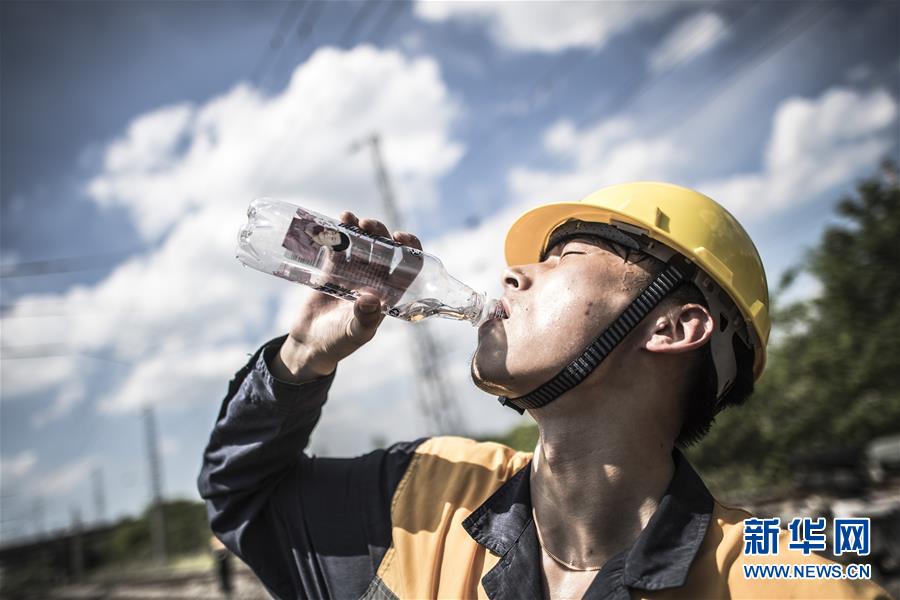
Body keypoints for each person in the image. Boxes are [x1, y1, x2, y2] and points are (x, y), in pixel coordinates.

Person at [198, 182, 889, 599]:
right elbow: (242, 500)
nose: (512, 276)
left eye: (565, 259)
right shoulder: (426, 490)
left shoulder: (787, 577)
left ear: (675, 325)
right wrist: (302, 358)